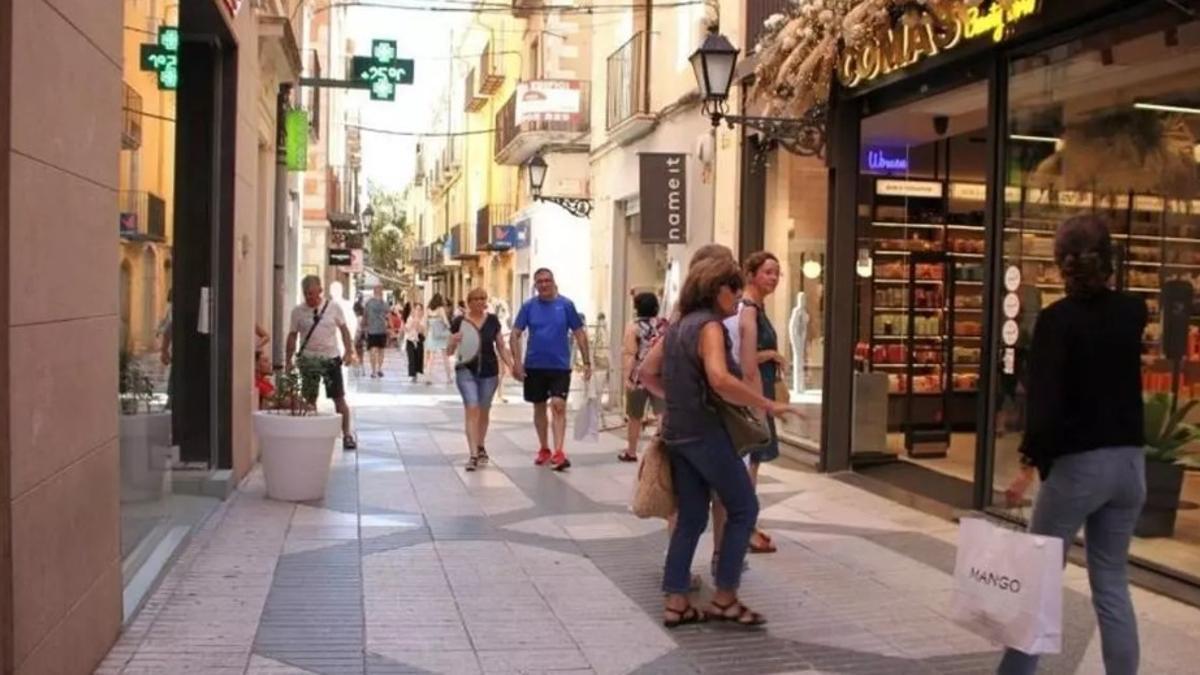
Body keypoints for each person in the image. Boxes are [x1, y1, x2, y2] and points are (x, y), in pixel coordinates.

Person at [1001, 215, 1147, 675]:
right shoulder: (1133, 311)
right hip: (1129, 466)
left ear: (1061, 264)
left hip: (1078, 466)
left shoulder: (1055, 321)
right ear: (1109, 259)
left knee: (1039, 581)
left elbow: (1044, 401)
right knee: (1112, 581)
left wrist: (1027, 467)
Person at [638, 256, 801, 628]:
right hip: (705, 433)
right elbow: (720, 378)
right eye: (734, 290)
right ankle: (725, 597)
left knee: (692, 517)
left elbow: (646, 372)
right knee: (743, 507)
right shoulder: (709, 326)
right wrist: (765, 403)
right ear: (718, 289)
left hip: (678, 432)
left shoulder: (677, 326)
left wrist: (676, 398)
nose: (738, 297)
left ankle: (676, 600)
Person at [727, 251, 787, 555]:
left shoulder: (755, 307)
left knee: (752, 462)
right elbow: (743, 360)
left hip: (759, 392)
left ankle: (745, 524)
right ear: (751, 274)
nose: (774, 278)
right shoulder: (747, 309)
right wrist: (772, 356)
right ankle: (744, 527)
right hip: (753, 394)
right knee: (749, 463)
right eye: (767, 272)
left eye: (777, 273)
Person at [510, 268, 592, 471]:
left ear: (554, 282)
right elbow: (515, 334)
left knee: (558, 404)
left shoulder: (565, 305)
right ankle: (544, 448)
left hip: (560, 366)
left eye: (547, 281)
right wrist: (517, 362)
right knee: (538, 407)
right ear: (535, 285)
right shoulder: (529, 307)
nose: (544, 285)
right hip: (535, 365)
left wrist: (587, 361)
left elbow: (579, 333)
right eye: (540, 282)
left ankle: (559, 451)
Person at [286, 275, 358, 450]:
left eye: (312, 293)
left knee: (339, 398)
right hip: (309, 360)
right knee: (310, 399)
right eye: (306, 294)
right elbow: (292, 335)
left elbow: (344, 330)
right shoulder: (297, 312)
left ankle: (347, 434)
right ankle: (311, 434)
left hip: (331, 359)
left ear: (320, 290)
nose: (310, 297)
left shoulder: (333, 308)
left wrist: (349, 351)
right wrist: (288, 359)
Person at [448, 288, 516, 472]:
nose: (479, 302)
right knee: (472, 407)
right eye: (476, 299)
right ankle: (473, 454)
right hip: (465, 370)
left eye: (482, 298)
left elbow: (500, 346)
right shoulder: (459, 322)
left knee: (484, 410)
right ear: (469, 302)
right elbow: (449, 351)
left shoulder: (493, 321)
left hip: (489, 371)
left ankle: (480, 444)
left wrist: (511, 365)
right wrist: (453, 341)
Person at [620, 291, 666, 463]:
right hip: (659, 376)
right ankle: (663, 450)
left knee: (634, 416)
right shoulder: (663, 325)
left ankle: (631, 451)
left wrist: (627, 376)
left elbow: (630, 353)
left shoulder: (633, 327)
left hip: (638, 377)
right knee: (662, 413)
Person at [363, 287, 391, 378]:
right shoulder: (384, 303)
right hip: (381, 330)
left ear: (373, 292)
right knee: (381, 351)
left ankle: (374, 371)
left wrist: (364, 326)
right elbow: (388, 316)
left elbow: (365, 315)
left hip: (372, 330)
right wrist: (391, 327)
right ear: (380, 292)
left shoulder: (368, 303)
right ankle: (379, 369)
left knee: (373, 350)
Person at [425, 294, 452, 384]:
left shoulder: (428, 310)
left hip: (432, 334)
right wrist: (449, 329)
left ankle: (428, 377)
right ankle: (448, 378)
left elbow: (426, 323)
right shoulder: (440, 309)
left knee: (431, 358)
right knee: (445, 357)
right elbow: (446, 322)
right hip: (440, 335)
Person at [403, 302, 426, 383]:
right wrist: (411, 323)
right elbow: (406, 329)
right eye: (417, 309)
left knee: (418, 358)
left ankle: (416, 372)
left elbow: (421, 330)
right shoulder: (410, 318)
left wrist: (417, 323)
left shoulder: (423, 319)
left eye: (420, 309)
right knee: (411, 358)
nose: (418, 311)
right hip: (410, 339)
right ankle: (413, 375)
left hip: (419, 339)